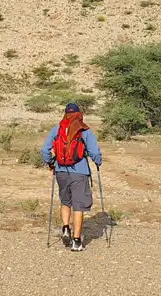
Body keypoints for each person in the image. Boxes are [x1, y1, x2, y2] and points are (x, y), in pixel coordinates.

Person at [41, 102, 102, 252]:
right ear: (79, 113)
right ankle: (76, 241)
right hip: (79, 171)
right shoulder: (84, 129)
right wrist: (98, 162)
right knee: (79, 205)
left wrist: (50, 163)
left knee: (65, 201)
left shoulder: (58, 128)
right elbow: (94, 151)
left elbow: (44, 149)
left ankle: (66, 227)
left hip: (61, 171)